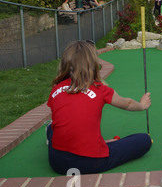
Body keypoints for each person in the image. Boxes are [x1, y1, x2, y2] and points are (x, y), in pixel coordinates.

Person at [46, 41, 152, 175]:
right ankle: (102, 146)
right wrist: (142, 105)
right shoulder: (100, 89)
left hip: (57, 162)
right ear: (94, 65)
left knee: (52, 127)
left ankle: (51, 133)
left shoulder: (56, 89)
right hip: (90, 162)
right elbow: (128, 104)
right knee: (144, 140)